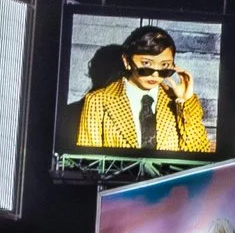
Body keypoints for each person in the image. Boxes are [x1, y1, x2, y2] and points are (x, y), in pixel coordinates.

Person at [73, 24, 213, 153]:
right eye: (146, 63)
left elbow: (199, 154)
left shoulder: (177, 103)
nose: (155, 73)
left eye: (164, 66)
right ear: (127, 61)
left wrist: (185, 101)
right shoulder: (97, 101)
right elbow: (88, 161)